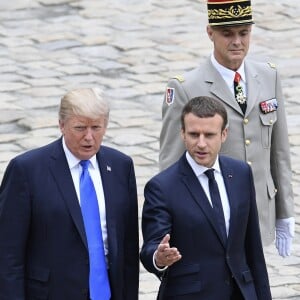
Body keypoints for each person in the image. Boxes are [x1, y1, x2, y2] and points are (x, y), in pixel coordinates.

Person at [159, 0, 294, 256]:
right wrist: (172, 223)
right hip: (210, 214)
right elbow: (170, 162)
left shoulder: (268, 76)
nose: (237, 42)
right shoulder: (186, 87)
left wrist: (284, 211)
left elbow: (279, 152)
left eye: (244, 33)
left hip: (258, 212)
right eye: (227, 34)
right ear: (210, 32)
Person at [0, 88, 139, 300]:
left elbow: (128, 249)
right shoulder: (27, 170)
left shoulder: (120, 166)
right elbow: (8, 253)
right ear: (62, 125)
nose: (89, 137)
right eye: (80, 128)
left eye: (96, 128)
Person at [141, 96, 272, 300]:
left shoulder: (240, 173)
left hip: (241, 292)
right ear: (183, 134)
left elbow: (252, 247)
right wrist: (159, 257)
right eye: (194, 134)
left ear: (224, 134)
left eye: (209, 135)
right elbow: (152, 245)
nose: (201, 144)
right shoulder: (162, 187)